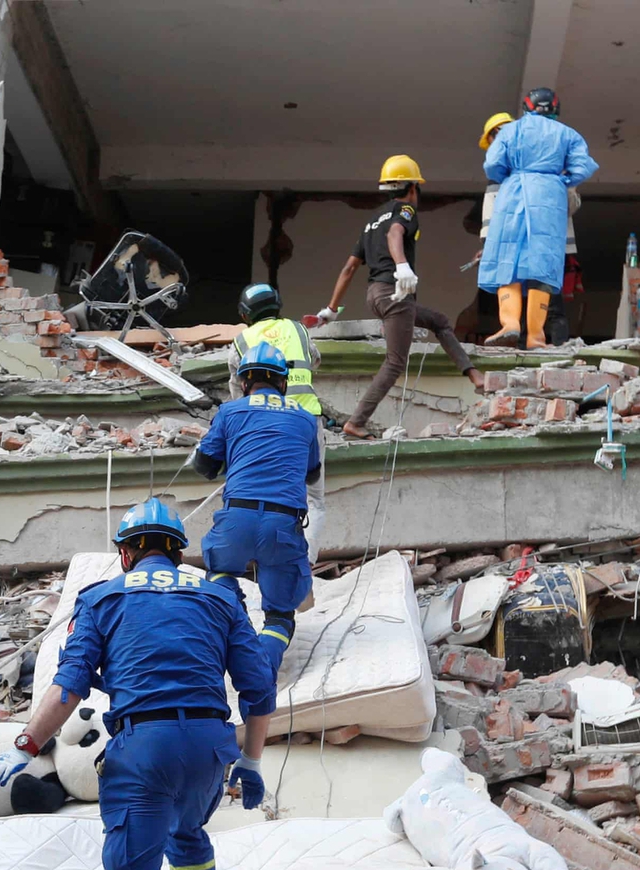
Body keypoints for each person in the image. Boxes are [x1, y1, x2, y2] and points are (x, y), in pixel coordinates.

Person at [0, 501, 275, 870]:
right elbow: (259, 689)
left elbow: (69, 687)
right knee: (189, 834)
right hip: (208, 746)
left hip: (143, 747)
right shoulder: (219, 597)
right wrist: (252, 762)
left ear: (126, 553)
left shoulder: (102, 598)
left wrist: (25, 745)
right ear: (176, 552)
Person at [317, 155, 475, 439]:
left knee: (439, 321)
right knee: (395, 362)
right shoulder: (406, 210)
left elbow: (349, 268)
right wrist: (402, 266)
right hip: (394, 294)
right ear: (413, 187)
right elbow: (395, 233)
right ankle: (356, 421)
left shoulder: (371, 222)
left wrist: (331, 309)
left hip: (375, 295)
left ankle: (475, 376)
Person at [193, 343, 321, 678]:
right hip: (283, 523)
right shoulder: (305, 418)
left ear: (244, 382)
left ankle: (235, 619)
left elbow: (205, 466)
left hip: (236, 518)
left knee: (219, 570)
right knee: (280, 613)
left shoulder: (230, 412)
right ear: (283, 382)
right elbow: (312, 474)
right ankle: (261, 671)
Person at [478, 88, 597, 350]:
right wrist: (561, 180)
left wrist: (512, 176)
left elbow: (493, 164)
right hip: (549, 198)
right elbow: (582, 167)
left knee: (507, 258)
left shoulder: (511, 131)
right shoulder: (568, 134)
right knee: (543, 264)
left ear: (527, 107)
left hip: (514, 193)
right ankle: (535, 336)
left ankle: (510, 323)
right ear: (555, 109)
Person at [226, 283, 328, 563]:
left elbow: (236, 392)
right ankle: (304, 565)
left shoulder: (241, 342)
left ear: (245, 314)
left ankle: (264, 560)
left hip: (262, 424)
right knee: (314, 500)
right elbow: (315, 360)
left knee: (261, 492)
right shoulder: (298, 330)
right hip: (306, 420)